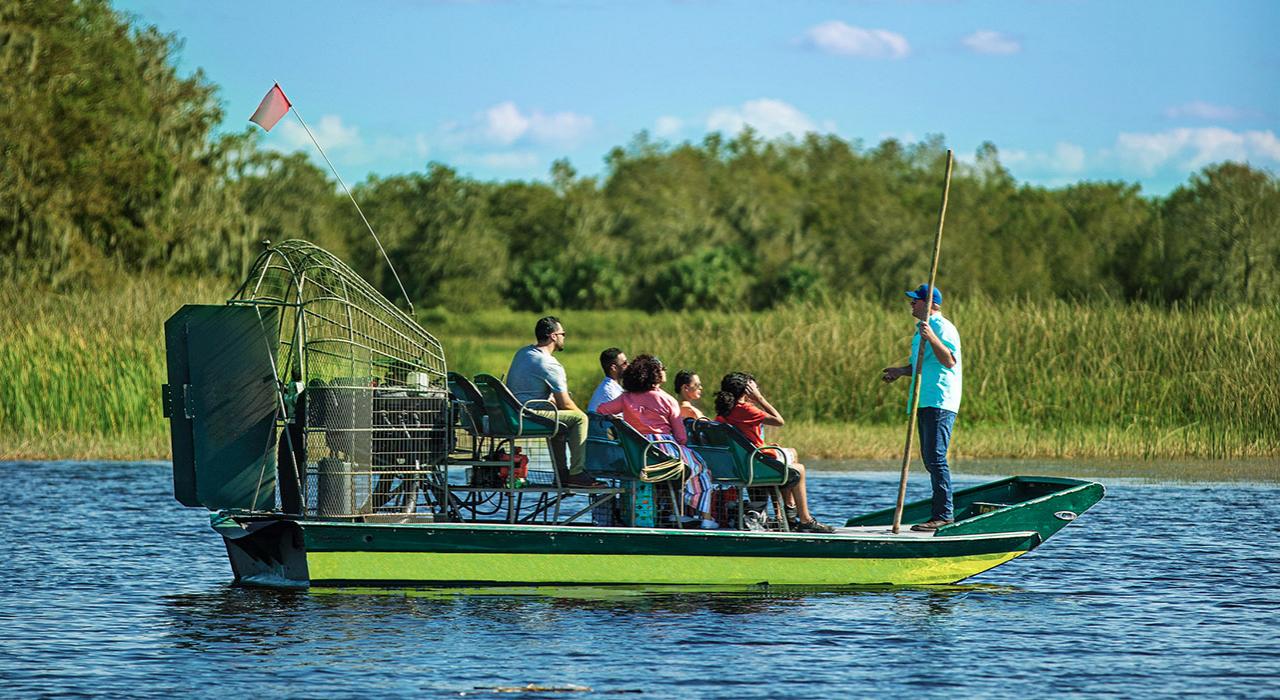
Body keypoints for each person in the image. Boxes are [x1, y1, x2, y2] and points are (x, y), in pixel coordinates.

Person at [597, 355, 718, 529]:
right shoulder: (668, 399)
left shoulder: (626, 398)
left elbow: (602, 410)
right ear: (655, 373)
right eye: (662, 368)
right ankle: (705, 517)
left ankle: (678, 512)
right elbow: (681, 437)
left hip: (637, 452)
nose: (664, 371)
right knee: (700, 468)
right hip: (665, 450)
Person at [881, 284, 963, 531]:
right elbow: (920, 366)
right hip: (924, 400)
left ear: (931, 304)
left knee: (936, 458)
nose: (911, 304)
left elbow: (948, 360)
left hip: (940, 399)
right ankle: (939, 512)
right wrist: (899, 372)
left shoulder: (942, 327)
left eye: (916, 300)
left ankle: (944, 515)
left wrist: (932, 337)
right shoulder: (921, 331)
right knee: (929, 459)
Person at [715, 372, 835, 534]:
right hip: (754, 464)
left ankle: (786, 515)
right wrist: (760, 399)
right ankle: (803, 519)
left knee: (790, 454)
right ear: (746, 391)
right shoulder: (746, 409)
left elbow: (744, 438)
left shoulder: (723, 413)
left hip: (741, 463)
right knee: (798, 468)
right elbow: (779, 421)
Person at [506, 316, 594, 488]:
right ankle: (576, 474)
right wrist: (583, 414)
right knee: (579, 419)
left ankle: (561, 474)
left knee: (559, 420)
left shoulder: (523, 353)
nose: (564, 337)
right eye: (563, 334)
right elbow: (566, 404)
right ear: (553, 336)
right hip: (528, 415)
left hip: (515, 411)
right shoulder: (550, 364)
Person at [587, 348, 628, 414]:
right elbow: (622, 422)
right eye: (625, 363)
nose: (628, 365)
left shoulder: (612, 387)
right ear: (614, 368)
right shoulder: (609, 392)